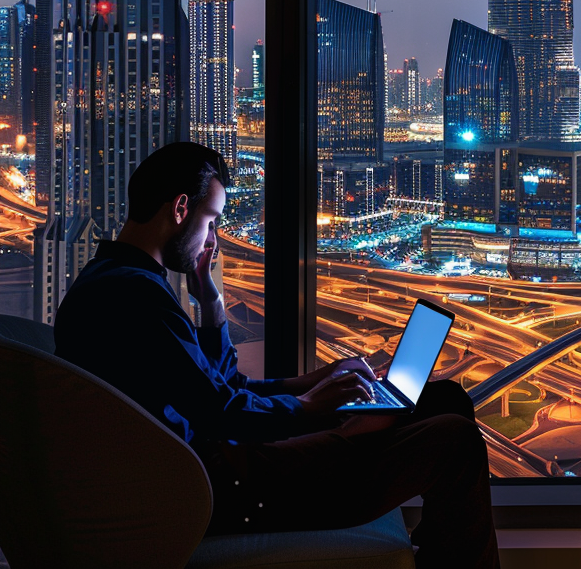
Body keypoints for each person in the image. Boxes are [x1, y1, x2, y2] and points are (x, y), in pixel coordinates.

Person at [54, 142, 500, 569]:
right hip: (221, 487)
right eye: (211, 222)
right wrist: (312, 411)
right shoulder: (134, 296)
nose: (211, 239)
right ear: (180, 209)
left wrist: (305, 379)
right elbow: (221, 412)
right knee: (453, 439)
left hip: (220, 461)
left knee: (445, 401)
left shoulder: (118, 279)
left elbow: (218, 387)